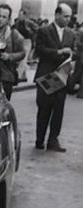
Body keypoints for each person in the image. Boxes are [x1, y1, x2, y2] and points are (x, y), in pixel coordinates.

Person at [34, 3, 76, 152]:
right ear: (57, 15)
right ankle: (39, 139)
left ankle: (53, 140)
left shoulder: (71, 33)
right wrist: (58, 52)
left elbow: (74, 51)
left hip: (62, 76)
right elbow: (39, 50)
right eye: (65, 16)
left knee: (58, 110)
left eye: (69, 17)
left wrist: (72, 56)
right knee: (44, 109)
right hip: (47, 76)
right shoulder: (44, 31)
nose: (68, 19)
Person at [0, 4, 25, 101]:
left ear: (8, 19)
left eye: (4, 17)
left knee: (3, 105)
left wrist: (9, 56)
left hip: (6, 77)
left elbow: (22, 53)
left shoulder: (14, 34)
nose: (0, 19)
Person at [15, 9, 37, 81]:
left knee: (24, 59)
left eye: (21, 15)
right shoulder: (17, 23)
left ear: (24, 16)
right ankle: (24, 76)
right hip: (20, 41)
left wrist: (31, 32)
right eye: (19, 15)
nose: (19, 16)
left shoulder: (28, 22)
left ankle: (19, 76)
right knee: (21, 58)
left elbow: (37, 29)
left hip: (27, 41)